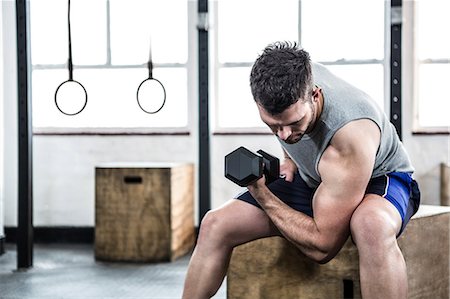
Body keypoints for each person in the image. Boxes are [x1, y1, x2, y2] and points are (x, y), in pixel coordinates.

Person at [182, 41, 420, 299]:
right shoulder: (286, 81)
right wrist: (290, 159)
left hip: (381, 177)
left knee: (370, 225)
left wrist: (263, 194)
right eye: (274, 125)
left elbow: (323, 248)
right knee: (214, 224)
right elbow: (286, 125)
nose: (284, 135)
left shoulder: (349, 137)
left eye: (294, 123)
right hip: (318, 177)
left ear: (314, 95)